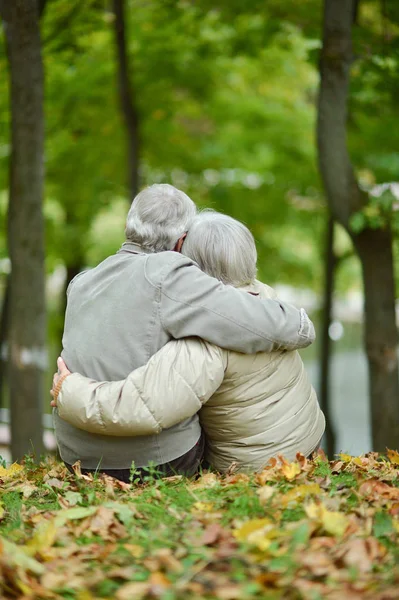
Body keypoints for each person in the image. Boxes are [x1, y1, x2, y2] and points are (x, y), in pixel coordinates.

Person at [53, 210, 324, 474]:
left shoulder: (206, 336)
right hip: (307, 443)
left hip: (261, 467)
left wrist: (69, 390)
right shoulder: (266, 300)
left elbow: (144, 406)